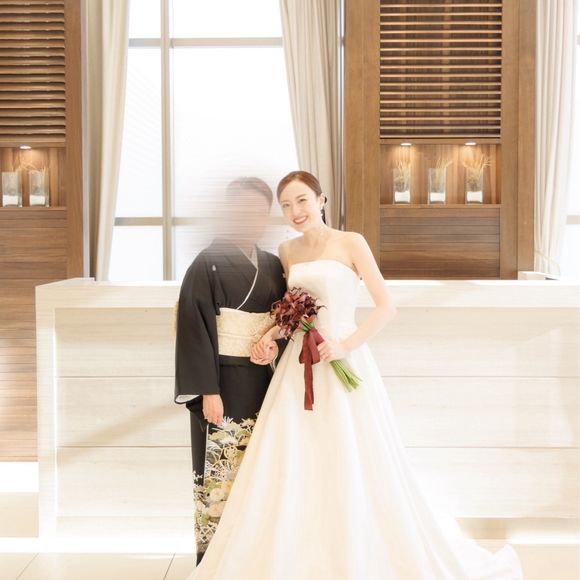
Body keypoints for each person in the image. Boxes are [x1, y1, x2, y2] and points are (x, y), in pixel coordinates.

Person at [186, 170, 525, 579]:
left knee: (353, 452)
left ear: (321, 200)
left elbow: (386, 307)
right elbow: (290, 314)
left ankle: (354, 549)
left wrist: (345, 346)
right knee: (294, 456)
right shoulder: (287, 251)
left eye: (302, 200)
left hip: (343, 360)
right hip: (298, 368)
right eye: (287, 205)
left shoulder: (351, 242)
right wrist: (271, 337)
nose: (296, 211)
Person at [174, 177, 287, 564]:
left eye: (258, 212)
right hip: (221, 383)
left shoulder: (273, 264)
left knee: (260, 470)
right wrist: (208, 390)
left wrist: (273, 342)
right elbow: (193, 329)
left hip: (263, 380)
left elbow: (281, 321)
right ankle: (214, 561)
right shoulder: (205, 263)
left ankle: (254, 557)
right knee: (220, 472)